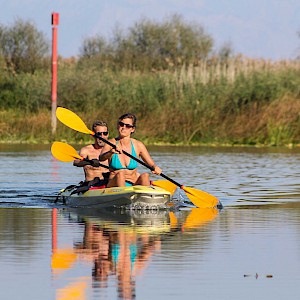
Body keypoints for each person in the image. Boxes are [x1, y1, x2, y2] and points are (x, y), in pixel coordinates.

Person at [99, 113, 162, 187]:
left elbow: (151, 164)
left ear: (132, 129)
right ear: (118, 126)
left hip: (132, 183)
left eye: (128, 126)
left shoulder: (138, 145)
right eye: (121, 124)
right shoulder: (110, 143)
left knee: (145, 175)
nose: (123, 127)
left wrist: (155, 167)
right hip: (114, 184)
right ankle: (123, 195)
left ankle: (146, 197)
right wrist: (111, 152)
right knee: (121, 174)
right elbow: (101, 158)